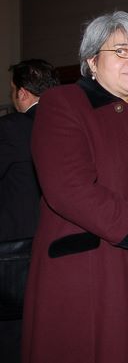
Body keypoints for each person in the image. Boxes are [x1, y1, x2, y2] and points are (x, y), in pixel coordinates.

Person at [20, 11, 128, 363]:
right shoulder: (63, 103)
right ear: (92, 61)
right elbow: (68, 188)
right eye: (121, 51)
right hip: (91, 266)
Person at [0, 59, 58, 363]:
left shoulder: (11, 128)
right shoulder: (72, 124)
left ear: (22, 93)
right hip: (61, 249)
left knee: (13, 336)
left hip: (15, 254)